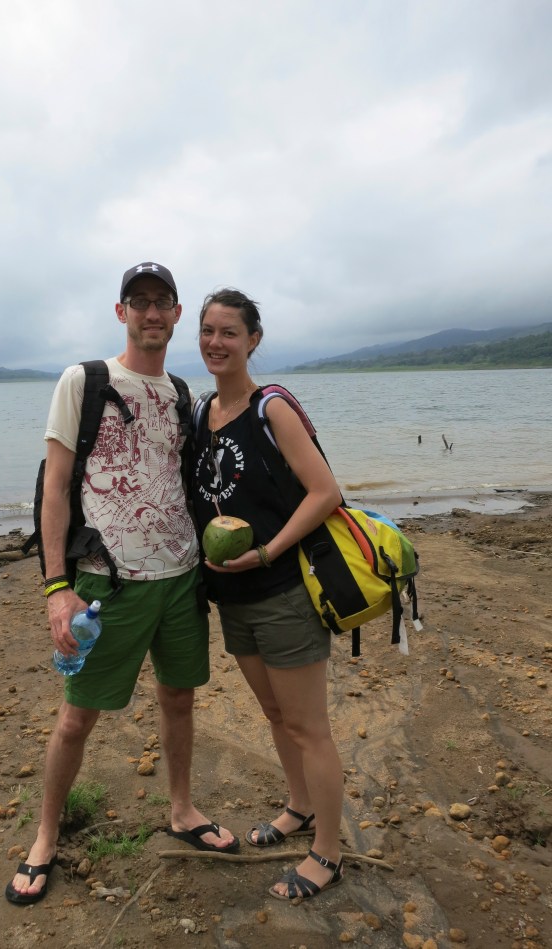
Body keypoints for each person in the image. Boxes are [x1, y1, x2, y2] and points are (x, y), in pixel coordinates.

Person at [5, 262, 237, 907]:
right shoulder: (86, 380)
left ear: (177, 312)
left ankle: (183, 810)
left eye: (163, 301)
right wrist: (57, 587)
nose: (152, 313)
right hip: (110, 582)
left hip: (182, 576)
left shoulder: (182, 393)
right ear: (121, 312)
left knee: (180, 698)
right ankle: (45, 835)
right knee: (78, 717)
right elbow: (55, 488)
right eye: (140, 302)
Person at [191, 288, 345, 902]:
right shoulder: (204, 410)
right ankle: (300, 807)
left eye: (229, 332)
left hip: (282, 590)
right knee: (277, 716)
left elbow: (325, 492)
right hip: (234, 598)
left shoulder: (270, 408)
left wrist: (270, 551)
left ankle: (328, 854)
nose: (215, 343)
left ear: (253, 340)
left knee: (310, 728)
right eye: (207, 330)